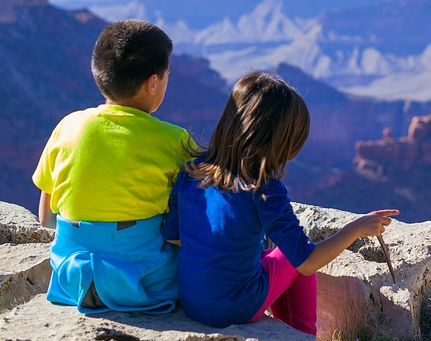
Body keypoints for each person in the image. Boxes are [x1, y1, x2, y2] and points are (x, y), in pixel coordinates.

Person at [162, 71, 398, 336]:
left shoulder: (192, 171)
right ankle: (303, 334)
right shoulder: (263, 189)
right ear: (279, 140)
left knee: (269, 256)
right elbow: (306, 262)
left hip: (193, 302)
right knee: (293, 253)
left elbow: (175, 238)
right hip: (235, 308)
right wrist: (356, 228)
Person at [32, 19, 193, 314]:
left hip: (72, 278)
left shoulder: (68, 126)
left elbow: (45, 216)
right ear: (153, 82)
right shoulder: (175, 140)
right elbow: (192, 220)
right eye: (167, 75)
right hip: (146, 282)